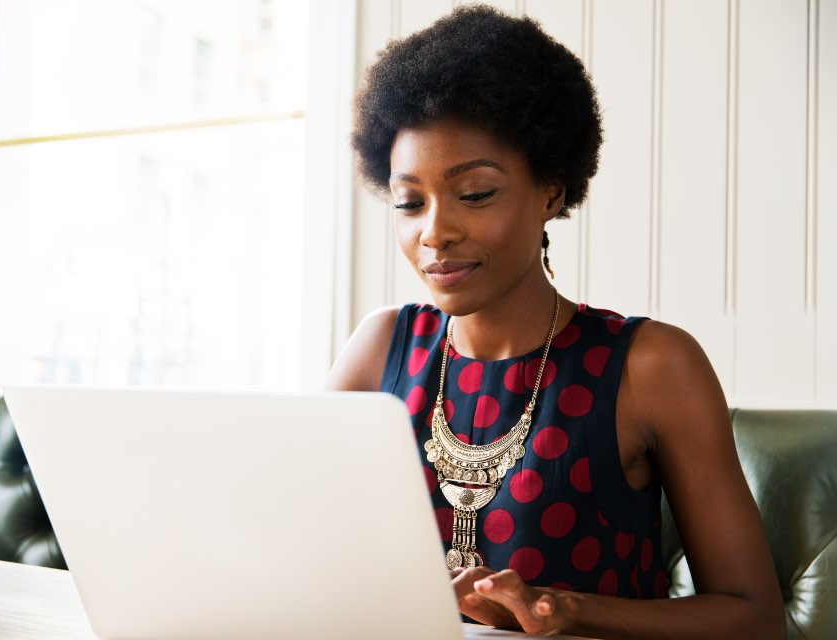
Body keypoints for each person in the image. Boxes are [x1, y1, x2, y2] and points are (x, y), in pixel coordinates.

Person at [324, 5, 784, 638]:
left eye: (476, 193)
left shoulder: (651, 365)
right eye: (410, 202)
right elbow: (294, 546)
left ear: (551, 190)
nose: (435, 232)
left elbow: (753, 617)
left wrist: (566, 610)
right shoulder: (381, 348)